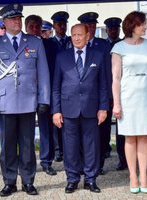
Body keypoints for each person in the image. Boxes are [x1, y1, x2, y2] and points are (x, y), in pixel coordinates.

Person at [0, 4, 50, 197]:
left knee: (28, 146)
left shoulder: (35, 42)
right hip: (5, 104)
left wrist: (44, 98)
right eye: (12, 19)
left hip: (28, 102)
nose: (17, 21)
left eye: (19, 18)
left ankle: (28, 181)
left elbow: (43, 73)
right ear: (4, 22)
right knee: (7, 147)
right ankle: (9, 182)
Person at [52, 23, 108, 194]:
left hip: (91, 109)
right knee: (70, 147)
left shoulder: (98, 56)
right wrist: (56, 110)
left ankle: (91, 179)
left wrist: (103, 108)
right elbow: (56, 86)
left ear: (88, 35)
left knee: (91, 146)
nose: (76, 38)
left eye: (80, 35)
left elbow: (103, 85)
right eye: (73, 35)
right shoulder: (62, 57)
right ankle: (72, 179)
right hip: (68, 109)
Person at [111, 11, 147, 194]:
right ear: (133, 25)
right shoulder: (119, 47)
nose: (145, 27)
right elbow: (116, 78)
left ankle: (144, 176)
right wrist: (116, 103)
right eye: (143, 24)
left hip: (145, 96)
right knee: (130, 138)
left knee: (143, 137)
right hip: (127, 98)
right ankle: (133, 175)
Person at [78, 12, 112, 175]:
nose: (91, 28)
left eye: (93, 26)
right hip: (78, 99)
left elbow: (107, 74)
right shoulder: (73, 44)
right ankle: (82, 164)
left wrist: (108, 98)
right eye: (88, 26)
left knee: (101, 132)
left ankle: (98, 165)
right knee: (79, 134)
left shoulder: (103, 45)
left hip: (98, 97)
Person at [25, 14, 57, 176]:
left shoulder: (50, 45)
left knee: (46, 129)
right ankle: (27, 162)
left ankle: (46, 161)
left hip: (45, 93)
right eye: (31, 26)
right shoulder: (20, 44)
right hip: (25, 94)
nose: (35, 29)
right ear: (25, 27)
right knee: (25, 131)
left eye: (37, 26)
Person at [104, 16, 126, 171]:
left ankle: (123, 158)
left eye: (115, 28)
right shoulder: (102, 45)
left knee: (122, 128)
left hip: (122, 91)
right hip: (106, 91)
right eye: (111, 28)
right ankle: (104, 151)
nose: (113, 31)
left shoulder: (124, 45)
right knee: (103, 126)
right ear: (106, 30)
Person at [50, 11, 72, 162]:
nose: (62, 27)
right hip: (55, 84)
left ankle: (69, 148)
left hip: (71, 85)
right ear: (54, 26)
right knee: (57, 118)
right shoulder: (49, 43)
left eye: (64, 24)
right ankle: (58, 150)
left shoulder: (72, 41)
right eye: (59, 24)